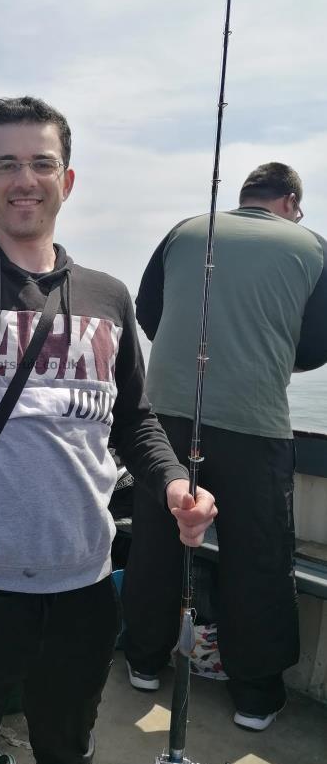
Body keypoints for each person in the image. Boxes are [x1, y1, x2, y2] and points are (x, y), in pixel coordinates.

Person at [0, 97, 217, 764]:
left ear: (66, 181)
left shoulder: (107, 298)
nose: (24, 180)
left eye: (40, 164)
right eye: (5, 164)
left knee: (68, 759)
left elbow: (136, 420)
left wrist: (170, 484)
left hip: (81, 592)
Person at [122, 162, 327, 732]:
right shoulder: (313, 246)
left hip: (161, 419)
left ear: (243, 198)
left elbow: (148, 310)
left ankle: (142, 662)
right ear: (290, 201)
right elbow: (316, 344)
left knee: (157, 543)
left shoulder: (187, 229)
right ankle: (255, 698)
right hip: (254, 426)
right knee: (257, 558)